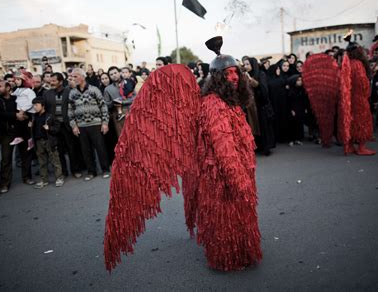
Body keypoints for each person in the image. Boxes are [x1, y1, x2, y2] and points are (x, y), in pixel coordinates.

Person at [104, 36, 262, 272]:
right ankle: (228, 259)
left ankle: (244, 252)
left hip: (239, 171)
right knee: (225, 219)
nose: (234, 77)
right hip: (222, 177)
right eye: (228, 74)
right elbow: (223, 147)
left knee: (239, 216)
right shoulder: (213, 105)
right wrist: (237, 179)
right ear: (217, 78)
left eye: (236, 73)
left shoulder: (231, 102)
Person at [0, 80, 35, 192]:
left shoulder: (17, 98)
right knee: (6, 159)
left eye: (0, 86)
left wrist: (25, 117)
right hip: (7, 133)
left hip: (22, 131)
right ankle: (5, 183)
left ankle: (27, 177)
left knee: (26, 156)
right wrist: (15, 115)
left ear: (8, 87)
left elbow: (27, 109)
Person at [68, 68, 110, 181]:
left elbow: (103, 106)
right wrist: (74, 126)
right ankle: (92, 172)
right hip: (81, 125)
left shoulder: (94, 90)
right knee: (86, 150)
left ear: (82, 77)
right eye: (72, 77)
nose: (73, 79)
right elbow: (70, 110)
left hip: (96, 123)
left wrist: (105, 123)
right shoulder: (72, 93)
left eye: (75, 76)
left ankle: (105, 170)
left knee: (100, 148)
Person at [43, 72, 84, 178]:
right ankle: (64, 172)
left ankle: (76, 170)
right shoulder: (47, 94)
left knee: (72, 149)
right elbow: (46, 110)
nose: (51, 83)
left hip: (68, 125)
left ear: (61, 82)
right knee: (59, 150)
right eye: (50, 81)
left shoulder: (69, 91)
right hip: (55, 127)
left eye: (54, 81)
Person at [29, 97, 64, 188]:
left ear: (43, 106)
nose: (35, 107)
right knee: (42, 162)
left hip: (49, 141)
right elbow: (33, 130)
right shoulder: (34, 117)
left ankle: (59, 178)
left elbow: (57, 128)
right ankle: (44, 180)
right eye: (33, 105)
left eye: (36, 105)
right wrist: (30, 127)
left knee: (55, 161)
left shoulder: (49, 116)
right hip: (38, 142)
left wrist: (50, 128)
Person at [243, 57, 275, 155]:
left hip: (261, 105)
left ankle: (266, 147)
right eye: (244, 64)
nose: (246, 66)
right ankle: (258, 146)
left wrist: (251, 80)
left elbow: (264, 91)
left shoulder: (260, 74)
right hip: (251, 107)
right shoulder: (245, 76)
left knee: (263, 127)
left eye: (247, 64)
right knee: (254, 127)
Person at [10, 73, 36, 148]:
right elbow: (12, 95)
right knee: (19, 125)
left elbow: (32, 102)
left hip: (28, 112)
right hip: (20, 111)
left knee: (28, 128)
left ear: (24, 81)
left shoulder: (29, 91)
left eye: (18, 80)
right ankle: (19, 137)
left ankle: (31, 142)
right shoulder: (18, 89)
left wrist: (23, 110)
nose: (16, 81)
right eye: (16, 80)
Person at [288, 74, 309, 146]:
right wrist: (291, 110)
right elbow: (289, 101)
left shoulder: (302, 89)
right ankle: (291, 139)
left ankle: (298, 139)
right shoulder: (290, 90)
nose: (300, 82)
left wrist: (305, 108)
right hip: (293, 109)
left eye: (301, 80)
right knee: (292, 124)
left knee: (299, 124)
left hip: (301, 108)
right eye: (298, 80)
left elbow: (304, 100)